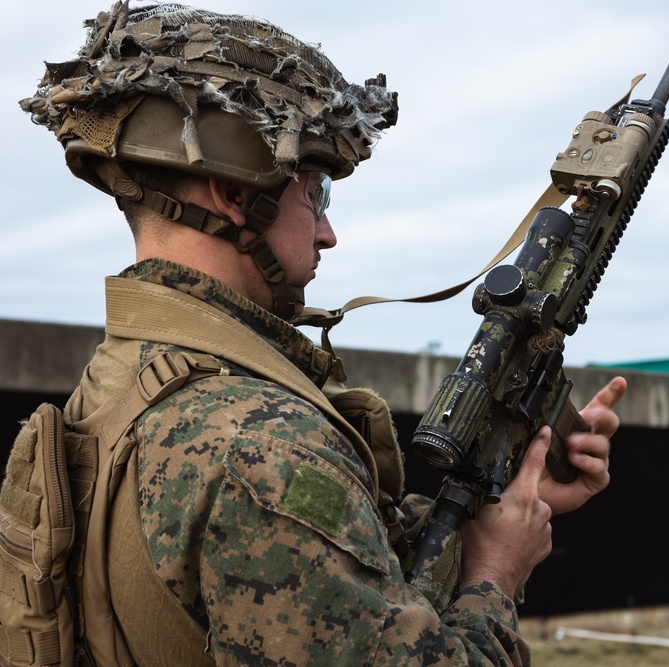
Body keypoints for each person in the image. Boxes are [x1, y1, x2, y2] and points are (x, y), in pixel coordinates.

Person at [19, 2, 626, 665]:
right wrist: (494, 577)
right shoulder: (263, 445)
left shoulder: (124, 380)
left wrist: (492, 511)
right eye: (316, 192)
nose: (328, 231)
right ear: (234, 192)